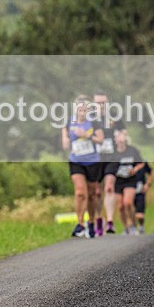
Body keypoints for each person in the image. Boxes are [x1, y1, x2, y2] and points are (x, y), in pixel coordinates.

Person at [62, 95, 104, 238]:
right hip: (76, 161)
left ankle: (91, 222)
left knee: (92, 195)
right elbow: (65, 137)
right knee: (80, 192)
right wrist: (66, 141)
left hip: (92, 161)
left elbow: (100, 139)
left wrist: (86, 135)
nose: (82, 112)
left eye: (84, 110)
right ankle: (80, 223)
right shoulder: (69, 122)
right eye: (80, 110)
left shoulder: (93, 123)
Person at [93, 90, 126, 235]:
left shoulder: (115, 117)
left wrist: (121, 137)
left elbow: (123, 132)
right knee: (97, 191)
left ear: (107, 103)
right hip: (94, 158)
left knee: (109, 188)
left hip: (112, 157)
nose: (100, 106)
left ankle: (110, 221)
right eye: (98, 103)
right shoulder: (90, 118)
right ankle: (99, 219)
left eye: (103, 103)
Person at [111, 132, 145, 235]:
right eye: (118, 138)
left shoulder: (132, 150)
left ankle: (133, 225)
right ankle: (126, 227)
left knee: (128, 203)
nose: (120, 140)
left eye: (122, 138)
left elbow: (141, 163)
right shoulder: (113, 152)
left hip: (130, 180)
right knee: (120, 206)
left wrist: (135, 169)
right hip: (118, 181)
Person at [133, 161, 153, 234]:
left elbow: (151, 172)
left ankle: (141, 226)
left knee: (140, 215)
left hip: (140, 191)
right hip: (129, 189)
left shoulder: (143, 162)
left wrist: (147, 184)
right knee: (130, 209)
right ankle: (132, 227)